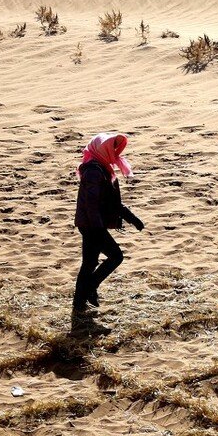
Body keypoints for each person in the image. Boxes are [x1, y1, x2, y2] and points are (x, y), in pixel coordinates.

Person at [73, 133, 143, 313]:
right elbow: (91, 204)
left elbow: (113, 203)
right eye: (110, 147)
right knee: (116, 256)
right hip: (91, 225)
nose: (114, 151)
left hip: (91, 224)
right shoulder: (94, 171)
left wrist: (132, 219)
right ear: (101, 149)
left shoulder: (102, 168)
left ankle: (79, 304)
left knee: (89, 263)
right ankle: (90, 288)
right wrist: (98, 229)